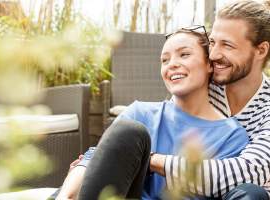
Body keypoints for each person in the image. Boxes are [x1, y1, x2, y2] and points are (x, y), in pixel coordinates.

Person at [67, 0, 270, 199]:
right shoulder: (208, 86)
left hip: (237, 192)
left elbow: (244, 174)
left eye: (227, 45)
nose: (215, 54)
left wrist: (150, 160)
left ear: (261, 50)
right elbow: (163, 122)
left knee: (251, 193)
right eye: (212, 42)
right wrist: (103, 160)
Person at [56, 26, 254, 200]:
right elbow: (94, 157)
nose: (172, 64)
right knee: (128, 131)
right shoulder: (140, 113)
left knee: (253, 193)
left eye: (184, 54)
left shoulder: (231, 136)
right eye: (164, 60)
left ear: (210, 64)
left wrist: (150, 160)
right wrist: (65, 195)